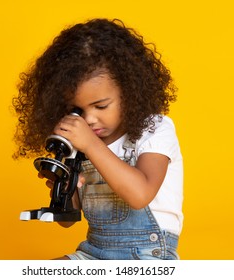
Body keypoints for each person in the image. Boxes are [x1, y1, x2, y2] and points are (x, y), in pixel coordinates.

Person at [13, 18, 183, 260]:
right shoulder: (81, 141)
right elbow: (68, 222)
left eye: (100, 106)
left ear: (130, 91)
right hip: (94, 252)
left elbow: (140, 194)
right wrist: (64, 186)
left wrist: (91, 145)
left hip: (147, 255)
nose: (89, 119)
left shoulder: (154, 129)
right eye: (77, 110)